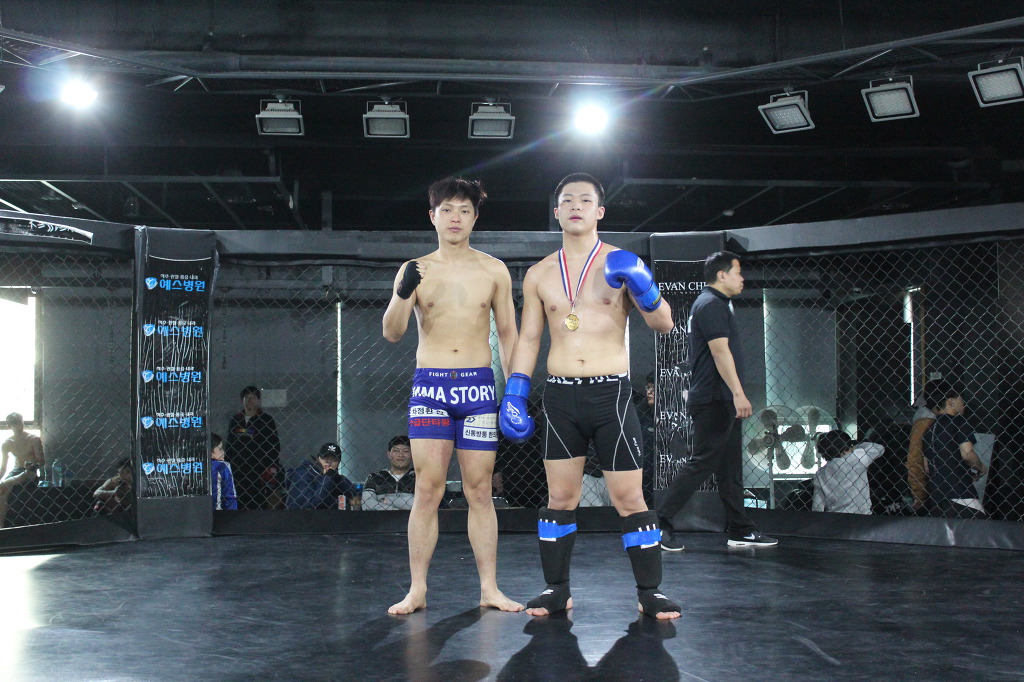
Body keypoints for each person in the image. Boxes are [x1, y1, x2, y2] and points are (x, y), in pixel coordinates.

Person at [499, 172, 680, 619]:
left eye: (585, 199)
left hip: (610, 395)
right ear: (556, 212)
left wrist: (642, 284)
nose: (575, 205)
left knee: (630, 499)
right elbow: (529, 339)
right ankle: (556, 590)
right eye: (567, 200)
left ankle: (650, 592)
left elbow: (664, 324)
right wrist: (515, 392)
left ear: (599, 211)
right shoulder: (540, 274)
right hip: (560, 397)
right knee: (560, 499)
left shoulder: (620, 261)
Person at [381, 177, 522, 615]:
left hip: (478, 387)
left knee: (480, 490)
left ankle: (489, 588)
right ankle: (417, 589)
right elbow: (392, 332)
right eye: (447, 210)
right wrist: (403, 292)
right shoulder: (415, 269)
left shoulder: (494, 270)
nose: (455, 218)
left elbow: (508, 332)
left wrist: (517, 389)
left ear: (475, 218)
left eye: (464, 210)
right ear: (433, 217)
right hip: (431, 386)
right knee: (427, 489)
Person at [655, 251, 777, 550]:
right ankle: (658, 524)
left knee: (729, 469)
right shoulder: (710, 304)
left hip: (719, 398)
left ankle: (740, 529)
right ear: (722, 275)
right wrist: (738, 393)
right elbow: (720, 352)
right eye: (738, 272)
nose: (742, 279)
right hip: (714, 398)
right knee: (702, 463)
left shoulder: (715, 303)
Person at [923, 385, 988, 518]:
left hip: (938, 497)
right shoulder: (959, 422)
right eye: (961, 399)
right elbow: (967, 454)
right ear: (950, 401)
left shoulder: (929, 430)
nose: (964, 403)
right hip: (962, 495)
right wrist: (981, 467)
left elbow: (927, 467)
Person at [226, 386, 282, 510]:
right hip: (238, 469)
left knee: (257, 501)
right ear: (242, 400)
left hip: (258, 470)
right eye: (247, 397)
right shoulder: (236, 420)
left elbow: (274, 445)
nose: (250, 400)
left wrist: (268, 465)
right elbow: (229, 444)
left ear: (258, 400)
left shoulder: (266, 420)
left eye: (253, 397)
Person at [812, 431, 885, 514]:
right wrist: (857, 447)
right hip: (862, 517)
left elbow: (817, 507)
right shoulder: (856, 459)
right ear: (845, 449)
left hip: (835, 518)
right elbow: (879, 448)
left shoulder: (820, 473)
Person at [907, 380, 949, 513]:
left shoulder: (933, 420)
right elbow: (915, 458)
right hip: (932, 489)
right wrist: (919, 493)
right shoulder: (925, 422)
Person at [1, 412, 45, 526]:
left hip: (30, 471)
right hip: (16, 471)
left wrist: (32, 465)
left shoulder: (33, 439)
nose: (18, 424)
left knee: (7, 485)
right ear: (9, 426)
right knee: (3, 490)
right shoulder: (7, 443)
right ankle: (3, 525)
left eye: (19, 421)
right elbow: (3, 467)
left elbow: (41, 460)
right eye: (15, 422)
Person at [286, 442, 356, 510]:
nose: (329, 462)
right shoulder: (304, 473)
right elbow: (312, 506)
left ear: (338, 463)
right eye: (325, 458)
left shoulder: (335, 477)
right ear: (318, 458)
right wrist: (327, 477)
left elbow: (355, 496)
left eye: (334, 459)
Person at [362, 435, 417, 511]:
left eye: (405, 451)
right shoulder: (375, 478)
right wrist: (397, 510)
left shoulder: (418, 478)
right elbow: (367, 505)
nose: (400, 455)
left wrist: (386, 501)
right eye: (396, 451)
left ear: (412, 454)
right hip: (381, 518)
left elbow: (423, 504)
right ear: (389, 454)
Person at [210, 433, 238, 511]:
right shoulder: (222, 466)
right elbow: (229, 496)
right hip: (217, 514)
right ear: (210, 451)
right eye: (220, 449)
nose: (223, 452)